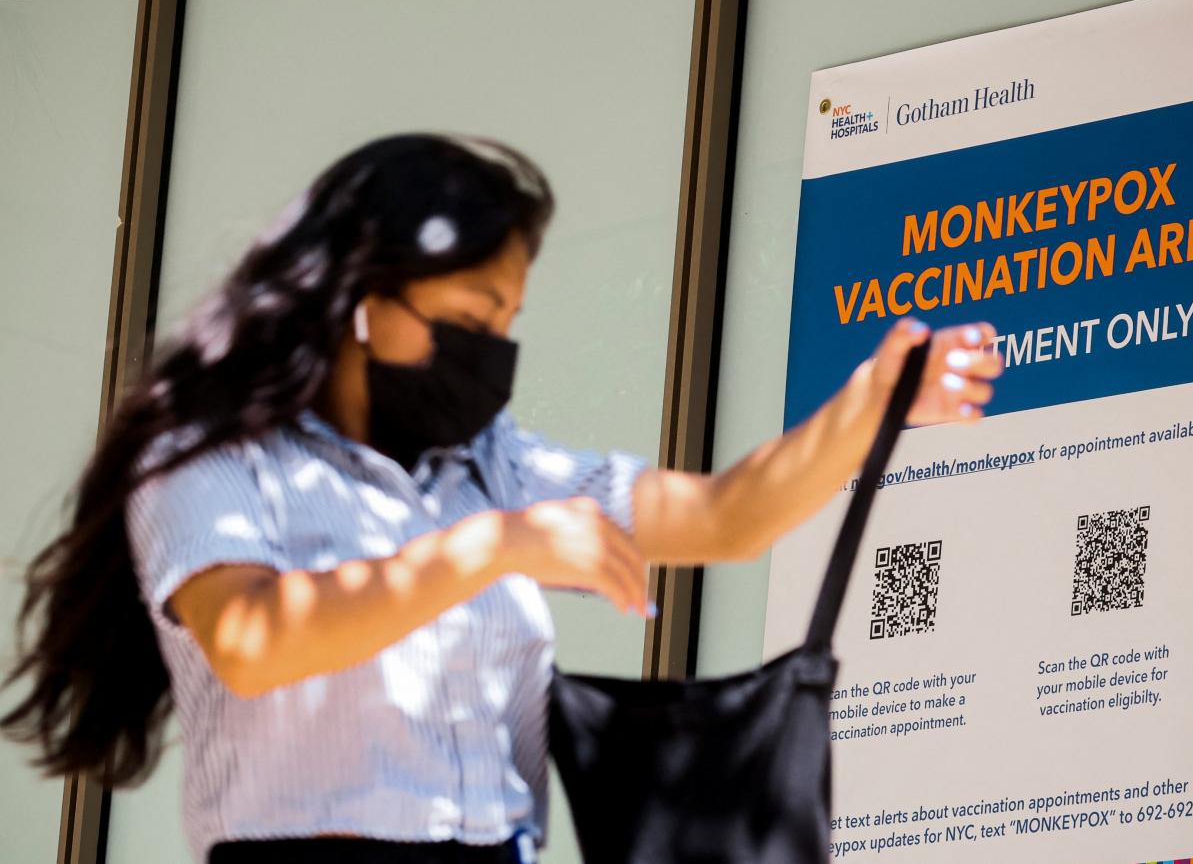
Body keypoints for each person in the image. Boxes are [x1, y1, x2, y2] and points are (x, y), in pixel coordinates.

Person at [1, 133, 1000, 864]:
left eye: (509, 319)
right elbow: (257, 642)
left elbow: (724, 517)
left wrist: (869, 408)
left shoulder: (487, 462)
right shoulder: (214, 458)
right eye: (472, 315)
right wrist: (491, 548)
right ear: (359, 300)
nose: (495, 348)